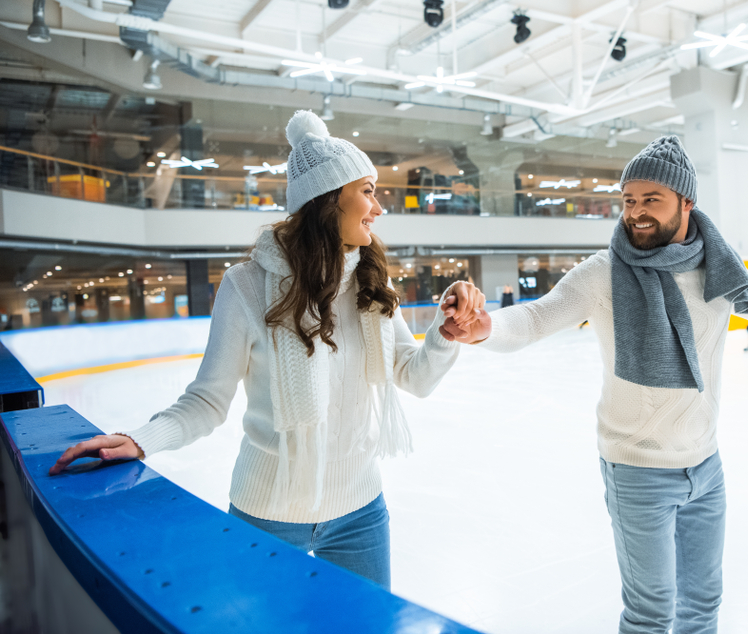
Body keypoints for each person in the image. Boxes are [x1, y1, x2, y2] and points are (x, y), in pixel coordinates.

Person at [440, 136, 748, 634]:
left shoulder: (720, 271)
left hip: (706, 466)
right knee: (650, 614)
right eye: (629, 200)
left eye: (651, 200)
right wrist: (484, 328)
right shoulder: (603, 274)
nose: (636, 212)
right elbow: (533, 319)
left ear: (687, 203)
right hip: (637, 472)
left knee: (703, 606)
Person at [49, 110, 485, 590]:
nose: (378, 208)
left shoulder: (369, 281)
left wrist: (447, 333)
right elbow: (207, 401)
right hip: (268, 513)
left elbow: (415, 377)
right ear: (329, 198)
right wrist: (140, 439)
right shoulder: (247, 286)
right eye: (368, 191)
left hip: (360, 510)